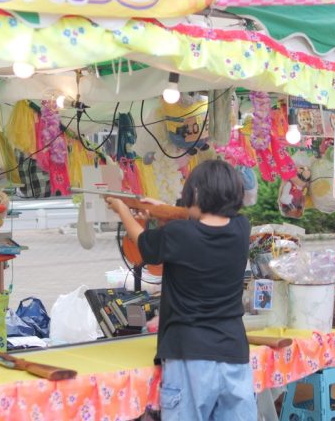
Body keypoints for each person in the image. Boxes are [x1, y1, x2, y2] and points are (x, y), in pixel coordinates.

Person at [106, 159, 255, 421]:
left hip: (189, 353)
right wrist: (163, 210)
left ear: (195, 193)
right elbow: (204, 218)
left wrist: (123, 210)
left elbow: (142, 242)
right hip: (234, 352)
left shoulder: (180, 234)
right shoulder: (241, 228)